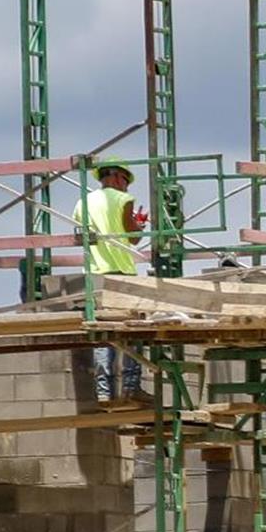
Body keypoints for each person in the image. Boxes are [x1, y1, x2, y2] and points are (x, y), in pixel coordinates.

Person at [72, 158, 152, 405]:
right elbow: (134, 238)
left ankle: (104, 391)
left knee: (104, 333)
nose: (126, 188)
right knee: (132, 331)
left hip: (95, 275)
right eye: (125, 182)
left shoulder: (81, 203)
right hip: (122, 275)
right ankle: (130, 387)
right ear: (118, 178)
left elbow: (82, 237)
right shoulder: (123, 200)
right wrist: (138, 224)